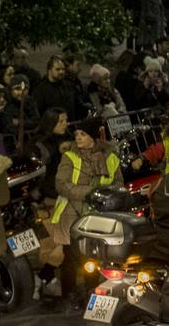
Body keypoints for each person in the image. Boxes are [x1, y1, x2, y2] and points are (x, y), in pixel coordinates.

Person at [49, 118, 121, 308]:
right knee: (70, 258)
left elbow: (118, 183)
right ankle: (69, 294)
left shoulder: (110, 157)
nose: (78, 138)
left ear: (93, 137)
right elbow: (61, 184)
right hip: (71, 213)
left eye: (83, 134)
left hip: (98, 214)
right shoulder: (70, 157)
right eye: (76, 135)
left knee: (95, 256)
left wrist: (105, 196)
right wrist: (88, 193)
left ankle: (92, 292)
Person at [34, 56, 84, 122]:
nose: (61, 72)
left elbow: (78, 105)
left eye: (63, 69)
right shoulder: (41, 89)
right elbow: (37, 112)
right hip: (51, 128)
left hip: (70, 126)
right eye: (58, 69)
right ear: (49, 70)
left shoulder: (69, 86)